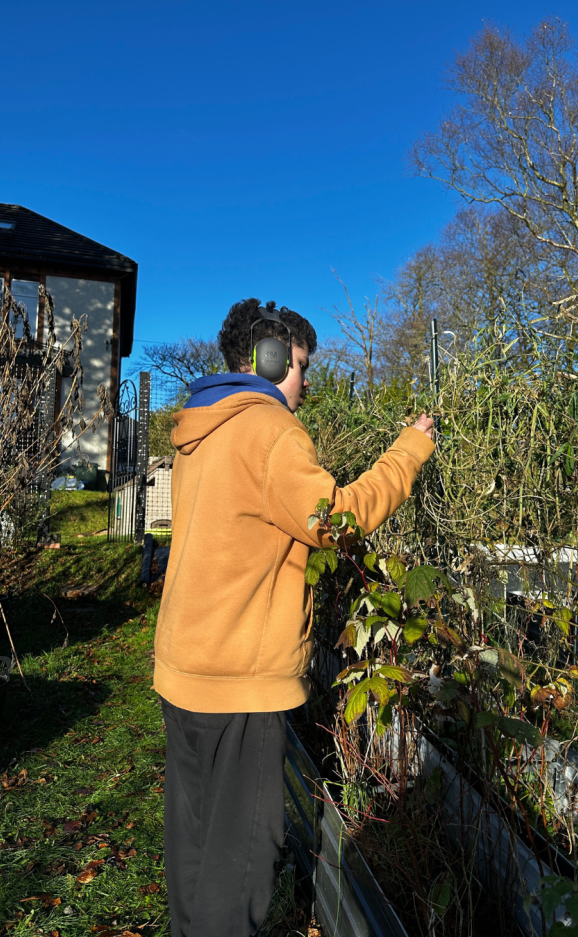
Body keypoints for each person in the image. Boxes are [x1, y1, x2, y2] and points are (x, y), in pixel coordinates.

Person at [153, 297, 435, 937]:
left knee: (195, 857)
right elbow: (338, 520)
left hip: (186, 672)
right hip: (241, 687)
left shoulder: (202, 429)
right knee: (242, 869)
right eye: (302, 365)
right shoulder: (269, 430)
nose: (306, 383)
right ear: (271, 359)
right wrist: (409, 452)